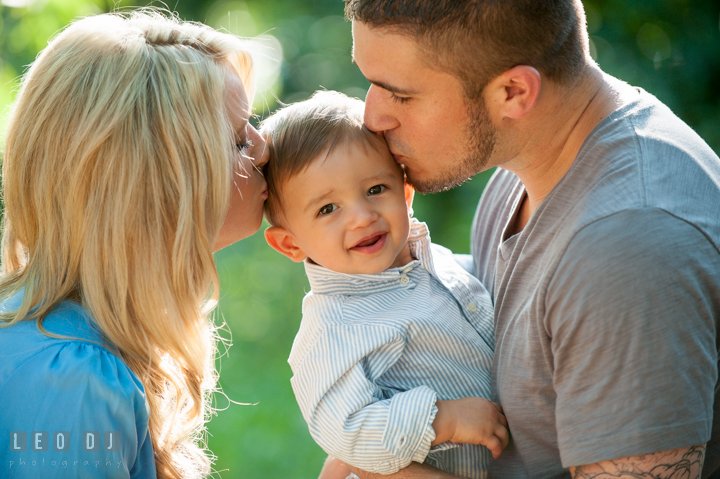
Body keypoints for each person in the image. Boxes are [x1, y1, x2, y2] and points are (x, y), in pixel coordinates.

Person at [343, 0, 720, 478]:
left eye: (399, 94)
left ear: (514, 91)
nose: (372, 115)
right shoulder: (538, 159)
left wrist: (382, 470)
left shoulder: (627, 247)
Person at [0, 9, 269, 479]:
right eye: (236, 139)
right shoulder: (76, 383)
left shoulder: (55, 343)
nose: (264, 146)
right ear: (155, 182)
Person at [259, 91, 509, 478]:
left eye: (376, 189)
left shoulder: (431, 262)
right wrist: (443, 419)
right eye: (328, 209)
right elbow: (346, 429)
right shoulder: (334, 329)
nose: (361, 216)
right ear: (290, 243)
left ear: (406, 194)